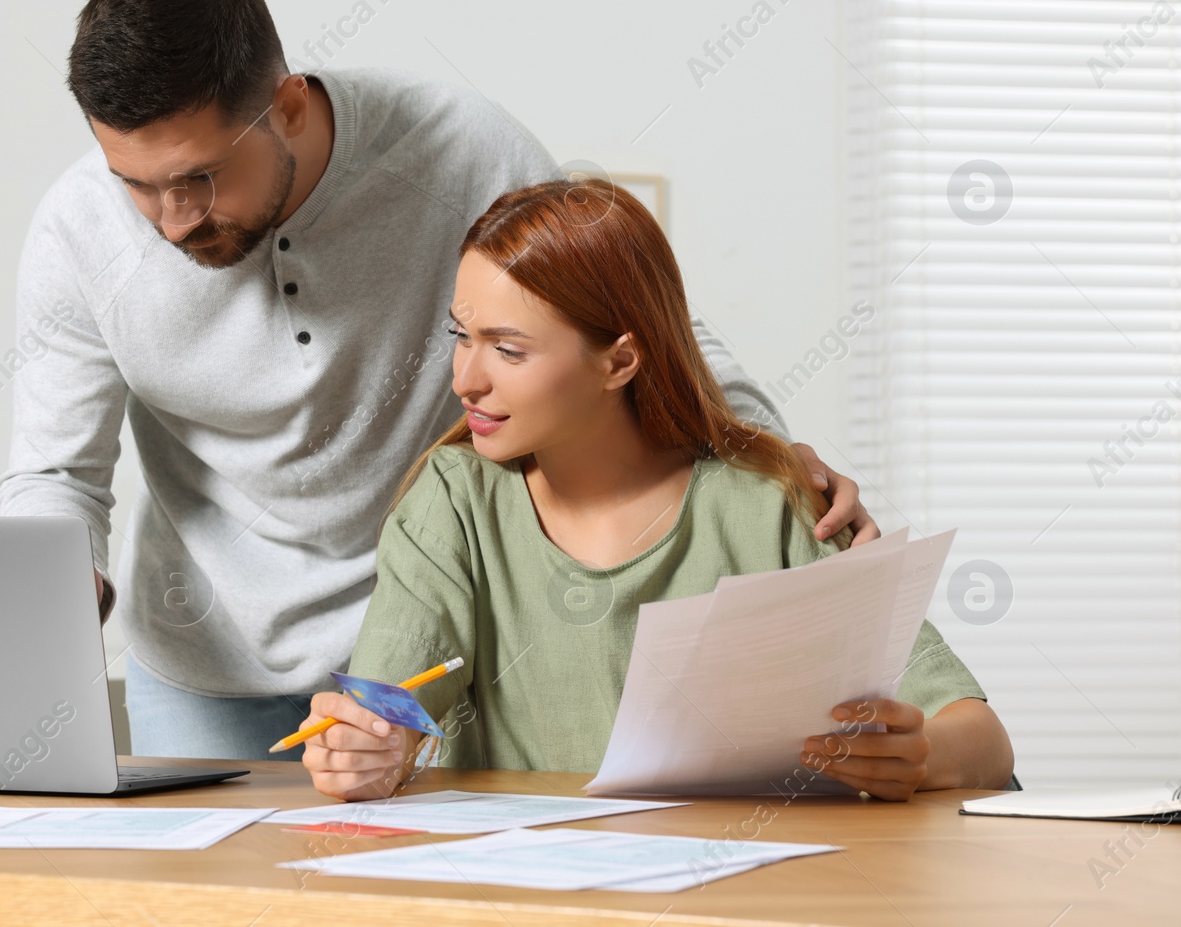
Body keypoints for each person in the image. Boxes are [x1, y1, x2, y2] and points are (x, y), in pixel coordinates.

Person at [0, 0, 881, 761]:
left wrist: (762, 452)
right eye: (136, 185)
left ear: (290, 105)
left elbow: (620, 303)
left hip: (429, 646)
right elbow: (54, 472)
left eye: (199, 178)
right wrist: (50, 584)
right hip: (201, 663)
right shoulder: (77, 232)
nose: (172, 218)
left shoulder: (458, 148)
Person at [299, 179, 1014, 801]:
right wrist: (363, 754)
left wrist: (920, 757)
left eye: (508, 349)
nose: (465, 380)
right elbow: (379, 720)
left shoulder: (766, 505)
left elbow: (981, 736)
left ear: (620, 361)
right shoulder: (453, 504)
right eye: (462, 335)